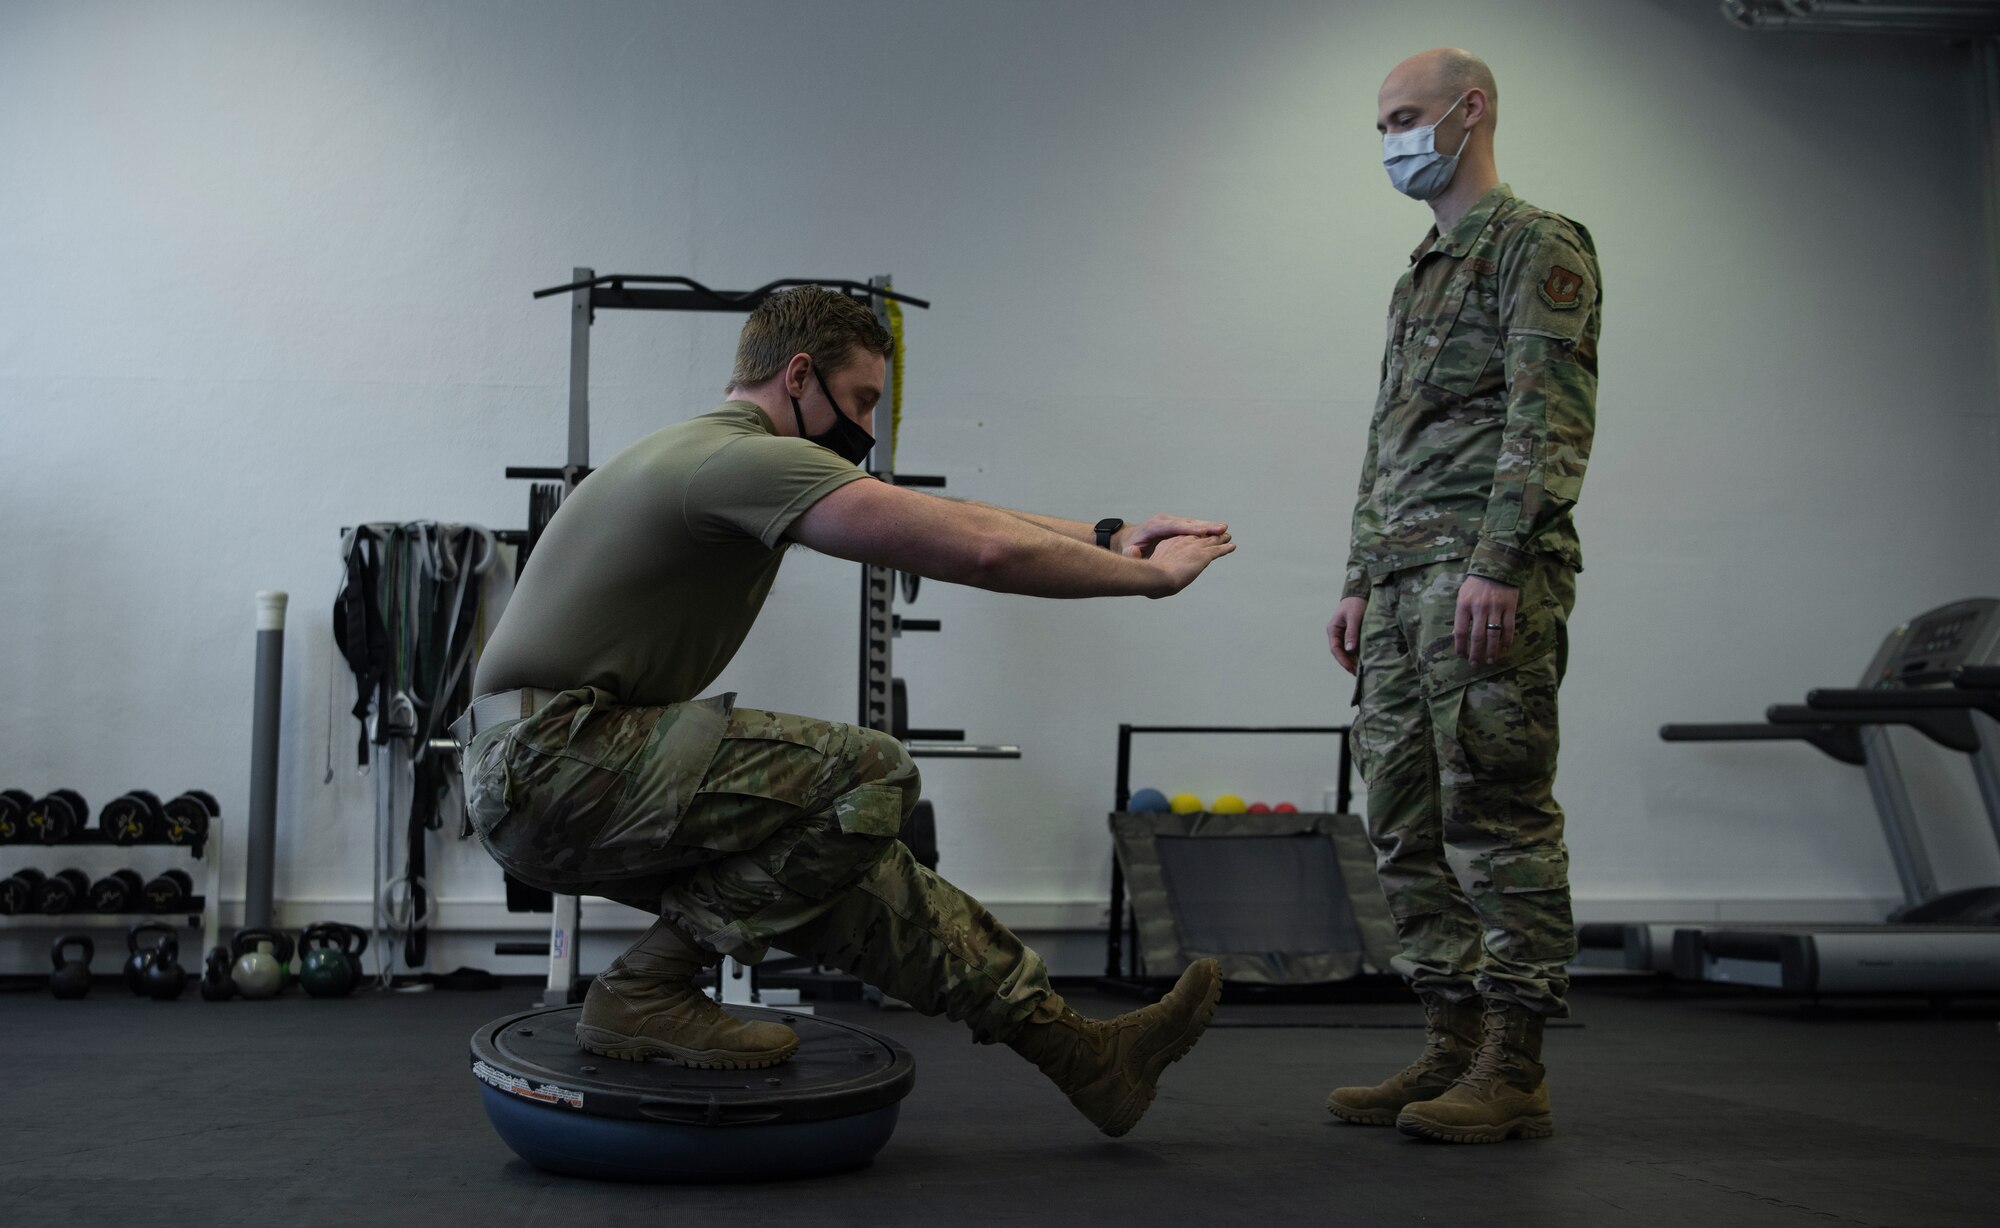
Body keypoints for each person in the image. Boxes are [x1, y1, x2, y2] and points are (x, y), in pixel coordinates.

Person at [455, 285, 1236, 1138]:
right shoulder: (737, 457)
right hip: (548, 760)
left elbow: (951, 515)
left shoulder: (728, 455)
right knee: (870, 770)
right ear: (798, 377)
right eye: (860, 399)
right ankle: (647, 989)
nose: (864, 426)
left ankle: (1085, 1055)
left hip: (557, 772)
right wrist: (1148, 577)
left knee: (872, 886)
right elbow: (975, 546)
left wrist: (1108, 533)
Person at [1322, 48, 1602, 1144]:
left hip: (1483, 578)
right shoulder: (1419, 272)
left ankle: (1512, 1059)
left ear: (1468, 111)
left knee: (1493, 805)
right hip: (1399, 583)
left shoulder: (1534, 246)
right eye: (1381, 121)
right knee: (1397, 814)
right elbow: (1387, 439)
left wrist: (1495, 557)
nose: (1390, 137)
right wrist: (1357, 576)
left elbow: (1549, 418)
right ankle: (1446, 1040)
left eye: (1404, 115)